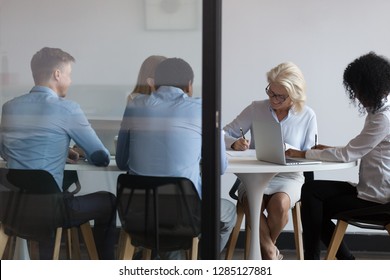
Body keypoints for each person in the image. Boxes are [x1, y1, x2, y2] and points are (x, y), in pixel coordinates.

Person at [0, 47, 116, 259]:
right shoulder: (68, 109)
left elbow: (7, 153)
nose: (70, 81)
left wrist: (59, 150)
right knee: (108, 201)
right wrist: (81, 151)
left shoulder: (9, 107)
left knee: (47, 197)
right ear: (57, 74)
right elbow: (101, 157)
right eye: (69, 75)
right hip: (51, 211)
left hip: (12, 208)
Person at [116, 57, 236, 259]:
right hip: (183, 215)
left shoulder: (135, 105)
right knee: (229, 212)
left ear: (155, 82)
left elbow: (121, 161)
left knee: (170, 208)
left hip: (137, 214)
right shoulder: (204, 109)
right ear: (189, 86)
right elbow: (220, 167)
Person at [286, 51, 390, 260]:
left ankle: (316, 260)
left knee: (314, 203)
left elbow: (349, 154)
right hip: (372, 190)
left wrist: (303, 153)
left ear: (370, 87)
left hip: (379, 199)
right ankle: (337, 260)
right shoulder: (380, 110)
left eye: (357, 90)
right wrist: (327, 148)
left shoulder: (383, 118)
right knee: (312, 191)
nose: (356, 96)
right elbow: (361, 148)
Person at [223, 62, 318, 260]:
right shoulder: (256, 108)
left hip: (288, 176)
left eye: (279, 96)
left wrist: (290, 151)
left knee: (280, 204)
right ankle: (270, 254)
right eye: (270, 92)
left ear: (294, 95)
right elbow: (222, 133)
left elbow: (310, 153)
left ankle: (266, 250)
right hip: (254, 176)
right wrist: (233, 143)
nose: (272, 99)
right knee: (252, 200)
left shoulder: (307, 115)